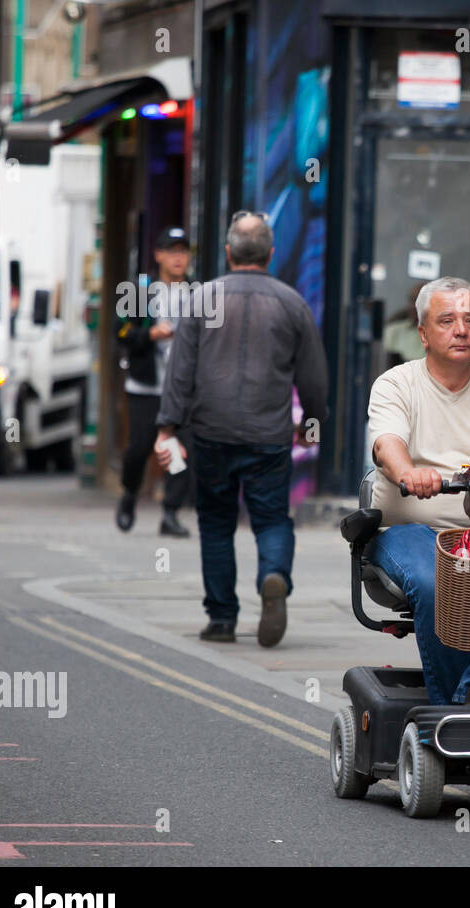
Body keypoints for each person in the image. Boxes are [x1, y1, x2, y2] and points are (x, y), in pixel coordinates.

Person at [154, 211, 329, 647]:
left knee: (215, 524)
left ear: (228, 253)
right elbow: (314, 377)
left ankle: (221, 619)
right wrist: (311, 422)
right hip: (269, 435)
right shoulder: (292, 303)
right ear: (270, 254)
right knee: (271, 519)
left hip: (210, 433)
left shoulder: (201, 299)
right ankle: (273, 574)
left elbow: (180, 371)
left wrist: (167, 428)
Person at [367, 276, 470, 705]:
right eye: (446, 321)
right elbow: (388, 444)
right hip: (409, 530)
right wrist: (408, 473)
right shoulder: (396, 385)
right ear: (422, 333)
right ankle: (454, 708)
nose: (461, 329)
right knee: (435, 580)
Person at [115, 227, 195, 537]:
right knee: (139, 448)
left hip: (181, 389)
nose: (178, 257)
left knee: (180, 448)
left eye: (183, 251)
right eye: (171, 251)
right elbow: (120, 332)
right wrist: (149, 334)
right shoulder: (140, 291)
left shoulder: (197, 293)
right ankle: (129, 494)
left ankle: (170, 512)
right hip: (145, 386)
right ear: (158, 255)